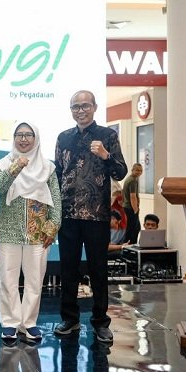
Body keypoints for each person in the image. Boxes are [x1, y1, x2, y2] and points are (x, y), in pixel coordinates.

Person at [53, 89, 127, 344]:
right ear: (71, 110)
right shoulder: (63, 138)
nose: (81, 110)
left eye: (85, 105)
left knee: (98, 270)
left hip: (97, 216)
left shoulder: (108, 136)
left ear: (94, 107)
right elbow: (58, 175)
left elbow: (121, 173)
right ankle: (70, 319)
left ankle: (100, 321)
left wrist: (106, 156)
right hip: (68, 215)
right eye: (76, 107)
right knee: (68, 269)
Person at [0, 122, 61, 345]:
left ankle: (29, 322)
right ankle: (10, 323)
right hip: (7, 232)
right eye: (19, 135)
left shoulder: (47, 168)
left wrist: (52, 227)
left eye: (28, 135)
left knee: (35, 279)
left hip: (38, 233)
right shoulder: (4, 163)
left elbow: (56, 200)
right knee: (8, 279)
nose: (23, 139)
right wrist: (17, 167)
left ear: (36, 138)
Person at [122, 163, 143, 244]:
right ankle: (130, 245)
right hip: (130, 208)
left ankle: (128, 244)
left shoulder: (130, 179)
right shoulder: (132, 180)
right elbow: (133, 197)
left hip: (127, 207)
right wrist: (136, 210)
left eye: (141, 171)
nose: (139, 172)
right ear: (132, 170)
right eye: (137, 170)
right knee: (133, 229)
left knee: (132, 228)